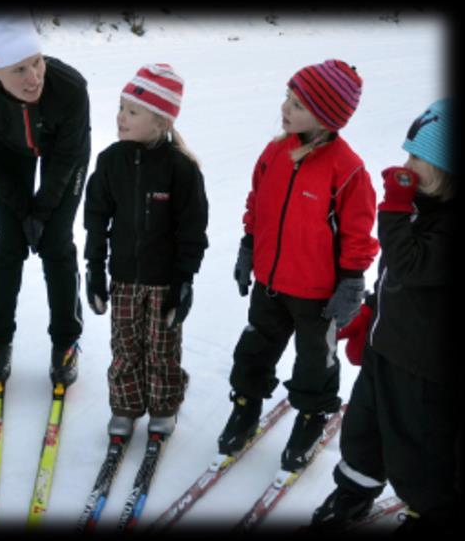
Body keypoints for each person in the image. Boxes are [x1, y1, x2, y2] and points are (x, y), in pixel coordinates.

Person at [218, 60, 379, 471]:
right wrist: (247, 246)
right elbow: (258, 204)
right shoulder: (275, 152)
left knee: (315, 364)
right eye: (288, 99)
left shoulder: (348, 171)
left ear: (326, 117)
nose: (286, 109)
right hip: (269, 285)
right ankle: (245, 406)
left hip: (318, 296)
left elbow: (357, 234)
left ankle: (311, 418)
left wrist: (351, 283)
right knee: (253, 351)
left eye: (298, 104)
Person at [310, 99, 459, 534]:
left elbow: (410, 264)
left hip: (422, 368)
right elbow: (393, 276)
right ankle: (354, 489)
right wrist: (370, 315)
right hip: (385, 350)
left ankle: (430, 509)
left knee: (419, 448)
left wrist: (393, 207)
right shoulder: (421, 208)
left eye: (417, 157)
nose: (405, 164)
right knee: (364, 428)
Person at [0, 14, 91, 387]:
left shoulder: (70, 89)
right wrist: (22, 209)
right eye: (19, 70)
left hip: (63, 155)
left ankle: (66, 341)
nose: (34, 77)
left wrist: (43, 210)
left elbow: (66, 159)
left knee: (56, 243)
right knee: (10, 244)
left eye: (37, 62)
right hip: (7, 156)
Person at [84, 64, 209, 437]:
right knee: (124, 346)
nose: (121, 118)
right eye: (121, 108)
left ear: (161, 122)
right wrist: (94, 267)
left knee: (162, 349)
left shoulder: (181, 169)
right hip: (122, 277)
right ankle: (125, 406)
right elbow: (95, 219)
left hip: (163, 282)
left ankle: (164, 405)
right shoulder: (110, 162)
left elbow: (192, 230)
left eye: (132, 112)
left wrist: (184, 280)